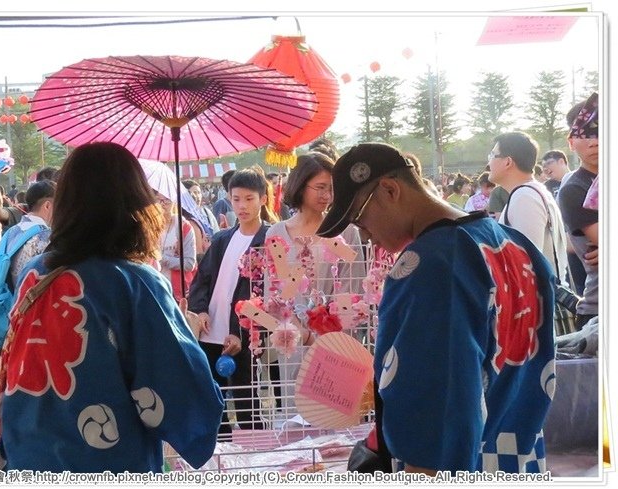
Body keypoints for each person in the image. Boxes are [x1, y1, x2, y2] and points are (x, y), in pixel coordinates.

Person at [0, 142, 223, 472]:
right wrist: (187, 335)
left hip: (28, 456)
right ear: (135, 203)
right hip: (105, 461)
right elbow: (180, 397)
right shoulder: (136, 282)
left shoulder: (34, 272)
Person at [316, 142, 555, 474]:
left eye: (360, 219)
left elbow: (437, 409)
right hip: (520, 455)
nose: (366, 235)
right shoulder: (516, 243)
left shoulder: (431, 264)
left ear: (389, 190)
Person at [264, 152, 366, 409]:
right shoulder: (277, 233)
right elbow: (274, 293)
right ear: (300, 186)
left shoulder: (345, 232)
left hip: (337, 345)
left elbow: (352, 289)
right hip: (293, 342)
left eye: (331, 189)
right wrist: (301, 331)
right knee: (296, 415)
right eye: (320, 188)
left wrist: (327, 336)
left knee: (335, 416)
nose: (327, 196)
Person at [188, 169, 276, 438]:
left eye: (249, 199)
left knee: (247, 401)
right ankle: (221, 455)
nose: (242, 206)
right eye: (236, 199)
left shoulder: (269, 241)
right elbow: (201, 279)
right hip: (210, 329)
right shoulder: (222, 238)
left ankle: (257, 460)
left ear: (262, 199)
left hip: (245, 336)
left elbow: (270, 296)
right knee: (214, 401)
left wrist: (242, 332)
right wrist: (201, 309)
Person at [487, 131, 570, 289]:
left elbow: (526, 265)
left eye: (492, 155)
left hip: (540, 306)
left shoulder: (525, 197)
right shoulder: (531, 192)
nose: (489, 163)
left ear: (508, 162)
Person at [557, 93, 599, 329]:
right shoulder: (576, 188)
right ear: (571, 142)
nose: (594, 141)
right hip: (600, 312)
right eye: (585, 134)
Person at [156, 191, 197, 301]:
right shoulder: (148, 227)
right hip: (154, 287)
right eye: (159, 199)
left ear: (174, 201)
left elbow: (189, 263)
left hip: (177, 291)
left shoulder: (183, 227)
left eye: (167, 200)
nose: (163, 203)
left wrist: (163, 259)